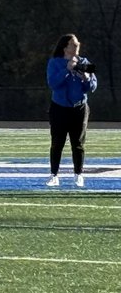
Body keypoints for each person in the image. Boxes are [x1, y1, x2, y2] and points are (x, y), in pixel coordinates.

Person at [46, 33, 98, 188]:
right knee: (57, 143)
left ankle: (78, 174)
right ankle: (54, 175)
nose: (77, 46)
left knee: (78, 143)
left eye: (78, 44)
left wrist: (87, 79)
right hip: (59, 108)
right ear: (65, 47)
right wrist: (67, 70)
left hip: (79, 108)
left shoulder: (85, 62)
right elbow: (53, 84)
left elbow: (93, 87)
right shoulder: (54, 63)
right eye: (73, 44)